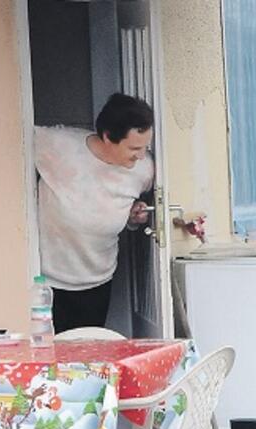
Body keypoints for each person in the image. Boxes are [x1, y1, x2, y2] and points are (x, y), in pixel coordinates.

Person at [34, 93, 155, 334]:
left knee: (87, 358)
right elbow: (10, 131)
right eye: (134, 148)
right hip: (48, 281)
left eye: (145, 147)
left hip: (98, 279)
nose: (141, 155)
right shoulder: (58, 145)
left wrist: (133, 218)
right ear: (108, 136)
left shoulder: (144, 170)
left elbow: (132, 208)